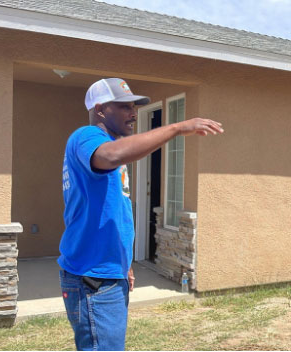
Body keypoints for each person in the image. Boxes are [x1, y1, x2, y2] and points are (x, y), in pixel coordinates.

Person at [58, 78, 224, 350]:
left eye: (134, 106)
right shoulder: (86, 137)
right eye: (124, 107)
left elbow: (112, 211)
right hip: (94, 278)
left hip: (108, 272)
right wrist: (177, 127)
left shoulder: (109, 144)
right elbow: (110, 156)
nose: (133, 113)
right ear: (100, 110)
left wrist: (124, 262)